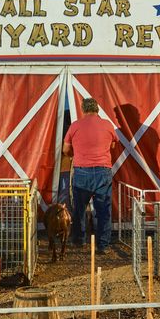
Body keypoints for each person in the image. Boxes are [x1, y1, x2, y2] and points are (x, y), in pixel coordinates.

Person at [62, 98, 118, 254]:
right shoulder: (107, 125)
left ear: (83, 110)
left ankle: (79, 241)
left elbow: (65, 150)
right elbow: (113, 145)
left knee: (79, 209)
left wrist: (77, 152)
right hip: (103, 171)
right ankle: (103, 245)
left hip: (82, 172)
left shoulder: (75, 126)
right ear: (97, 109)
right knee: (103, 210)